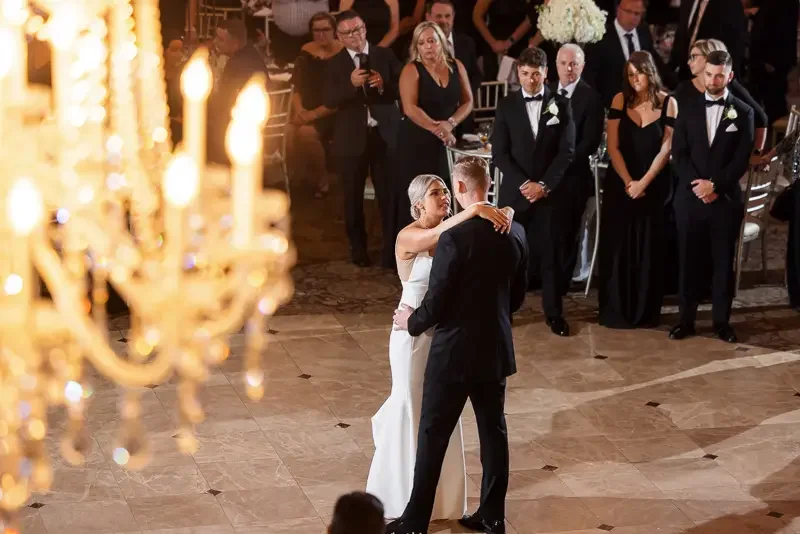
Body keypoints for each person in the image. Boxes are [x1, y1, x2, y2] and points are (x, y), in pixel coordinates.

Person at [388, 157, 528, 534]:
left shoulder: (454, 237)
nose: (448, 195)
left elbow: (438, 301)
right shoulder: (515, 231)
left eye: (450, 188)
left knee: (433, 434)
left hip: (452, 352)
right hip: (495, 348)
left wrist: (412, 322)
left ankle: (415, 521)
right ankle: (492, 516)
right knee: (493, 433)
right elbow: (517, 298)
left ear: (462, 188)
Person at [670, 50, 754, 343]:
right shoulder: (687, 107)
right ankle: (685, 320)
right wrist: (698, 185)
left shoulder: (743, 112)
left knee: (722, 262)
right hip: (690, 198)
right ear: (702, 74)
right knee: (688, 259)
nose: (713, 80)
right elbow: (678, 153)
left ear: (729, 76)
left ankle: (721, 322)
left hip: (724, 201)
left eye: (719, 75)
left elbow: (741, 159)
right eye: (709, 74)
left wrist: (715, 185)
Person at [492, 47, 575, 337]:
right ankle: (506, 312)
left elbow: (567, 152)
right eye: (525, 74)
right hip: (515, 196)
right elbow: (499, 153)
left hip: (548, 196)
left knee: (551, 255)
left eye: (535, 75)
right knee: (508, 256)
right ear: (519, 74)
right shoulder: (506, 106)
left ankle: (554, 314)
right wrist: (523, 184)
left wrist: (544, 186)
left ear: (545, 74)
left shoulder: (561, 105)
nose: (530, 80)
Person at [599, 51, 677, 328]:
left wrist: (643, 183)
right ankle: (616, 310)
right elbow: (612, 147)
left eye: (638, 74)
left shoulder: (669, 103)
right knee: (619, 246)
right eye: (630, 75)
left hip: (653, 185)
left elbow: (666, 149)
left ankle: (646, 312)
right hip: (621, 183)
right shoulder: (620, 100)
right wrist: (629, 182)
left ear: (650, 72)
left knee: (648, 247)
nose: (634, 80)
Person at [325, 10, 402, 268]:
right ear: (339, 37)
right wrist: (350, 85)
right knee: (352, 196)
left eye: (357, 30)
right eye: (347, 33)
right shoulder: (334, 63)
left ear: (365, 28)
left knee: (388, 195)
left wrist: (382, 85)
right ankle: (358, 249)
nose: (354, 36)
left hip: (383, 134)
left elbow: (403, 88)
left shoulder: (384, 54)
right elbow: (329, 100)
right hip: (351, 139)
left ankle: (391, 250)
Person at [391, 21, 474, 248]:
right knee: (419, 196)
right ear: (416, 47)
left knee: (442, 196)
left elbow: (468, 102)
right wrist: (438, 129)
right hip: (416, 142)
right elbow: (410, 109)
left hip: (446, 141)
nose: (427, 46)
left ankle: (443, 249)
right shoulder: (411, 70)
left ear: (441, 41)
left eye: (431, 40)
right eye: (422, 42)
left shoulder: (456, 66)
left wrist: (450, 123)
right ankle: (412, 251)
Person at [550, 44, 604, 287]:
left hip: (573, 177)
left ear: (582, 66)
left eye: (574, 64)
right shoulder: (546, 92)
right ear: (556, 65)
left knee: (570, 229)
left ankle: (564, 279)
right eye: (564, 63)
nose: (568, 68)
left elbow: (589, 143)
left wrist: (558, 168)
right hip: (546, 177)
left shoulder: (591, 99)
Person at [583, 0, 673, 108]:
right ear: (618, 10)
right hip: (614, 106)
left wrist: (676, 84)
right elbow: (590, 79)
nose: (633, 17)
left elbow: (654, 60)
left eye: (637, 13)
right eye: (628, 12)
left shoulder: (643, 32)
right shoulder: (600, 38)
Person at [290, 12, 342, 198]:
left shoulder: (344, 53)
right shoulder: (306, 50)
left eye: (325, 30)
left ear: (335, 31)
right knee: (285, 132)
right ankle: (292, 181)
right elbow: (296, 87)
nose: (320, 34)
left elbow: (342, 97)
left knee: (305, 133)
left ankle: (322, 180)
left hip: (334, 112)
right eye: (316, 30)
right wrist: (300, 110)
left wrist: (311, 115)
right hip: (306, 109)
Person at [208, 19, 272, 165]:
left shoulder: (237, 64)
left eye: (221, 39)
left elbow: (223, 103)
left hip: (243, 131)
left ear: (235, 43)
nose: (215, 42)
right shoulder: (251, 53)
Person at [748, 0, 800, 125]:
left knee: (776, 102)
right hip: (770, 60)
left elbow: (780, 30)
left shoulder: (781, 5)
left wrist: (770, 61)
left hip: (773, 61)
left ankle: (778, 137)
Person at [669, 0, 747, 81]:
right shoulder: (688, 2)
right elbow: (681, 35)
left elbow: (735, 51)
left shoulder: (730, 5)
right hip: (684, 78)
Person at [472, 0, 533, 81]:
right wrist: (493, 43)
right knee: (492, 82)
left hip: (519, 43)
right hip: (493, 43)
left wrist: (509, 42)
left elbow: (530, 19)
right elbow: (477, 16)